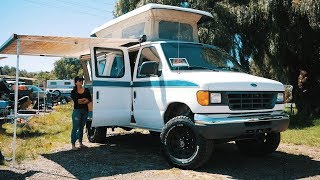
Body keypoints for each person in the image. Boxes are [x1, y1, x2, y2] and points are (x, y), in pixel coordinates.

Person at [70, 76, 92, 150]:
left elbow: (89, 99)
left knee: (81, 127)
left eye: (82, 80)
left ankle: (80, 143)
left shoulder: (86, 90)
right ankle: (73, 145)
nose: (81, 82)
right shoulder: (73, 92)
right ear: (76, 82)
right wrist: (84, 99)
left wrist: (83, 100)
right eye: (79, 81)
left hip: (85, 111)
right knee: (75, 127)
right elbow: (77, 101)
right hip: (77, 111)